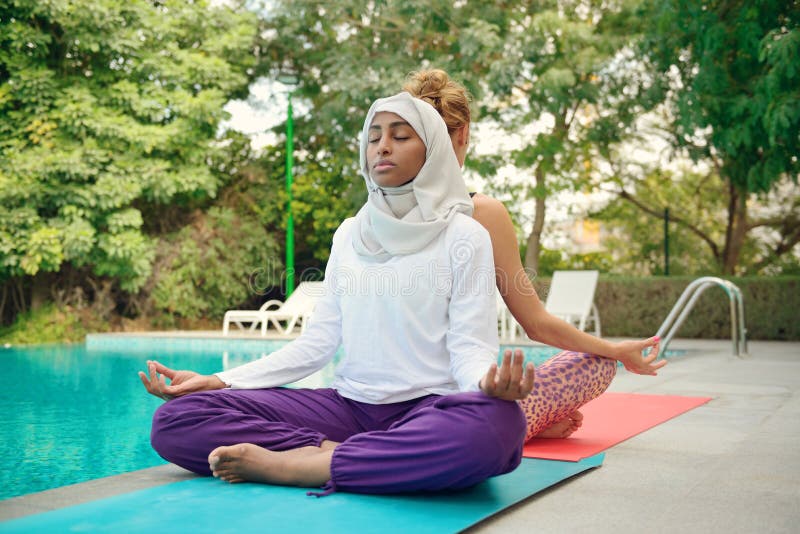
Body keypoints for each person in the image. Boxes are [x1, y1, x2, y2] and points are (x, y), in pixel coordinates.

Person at [140, 92, 535, 494]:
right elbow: (317, 345)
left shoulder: (464, 235)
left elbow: (469, 346)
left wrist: (487, 385)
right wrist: (220, 380)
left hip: (428, 408)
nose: (382, 146)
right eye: (373, 136)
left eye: (400, 136)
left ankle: (306, 466)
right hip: (347, 409)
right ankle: (336, 454)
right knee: (177, 418)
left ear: (432, 149)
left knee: (499, 428)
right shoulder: (349, 234)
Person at [402, 69, 666, 441]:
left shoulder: (375, 217)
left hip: (382, 402)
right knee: (597, 364)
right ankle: (522, 422)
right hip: (464, 403)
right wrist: (616, 350)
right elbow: (536, 324)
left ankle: (508, 422)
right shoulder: (483, 213)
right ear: (464, 135)